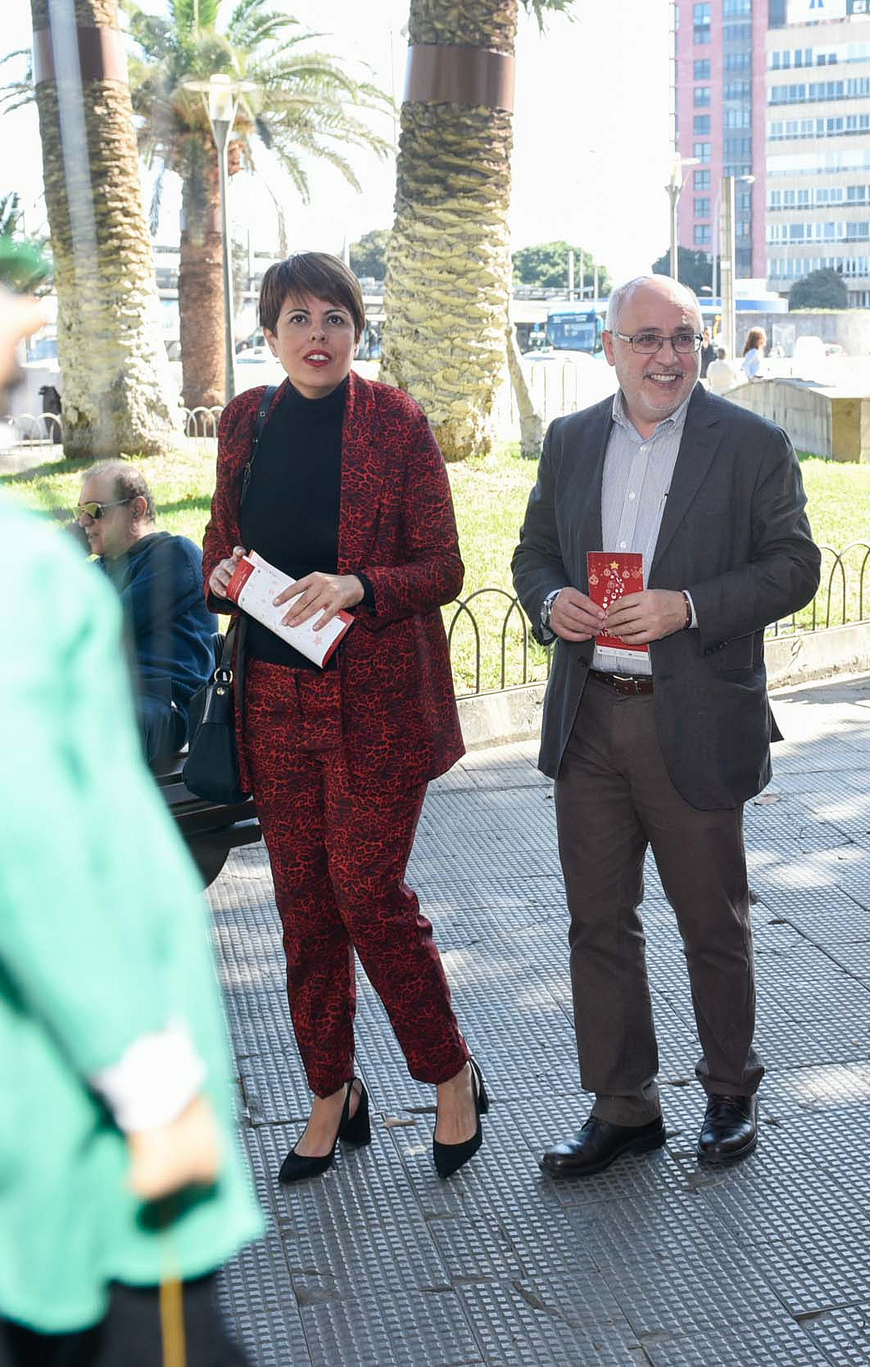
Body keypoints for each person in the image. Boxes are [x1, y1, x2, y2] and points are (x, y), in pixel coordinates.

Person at [0, 273, 261, 1367]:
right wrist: (149, 1077)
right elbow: (37, 854)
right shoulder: (24, 577)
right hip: (81, 1127)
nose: (24, 352)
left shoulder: (122, 563)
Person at [513, 275, 820, 1176]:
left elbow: (795, 565)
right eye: (645, 338)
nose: (666, 355)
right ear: (609, 347)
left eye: (683, 337)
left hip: (693, 718)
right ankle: (624, 1103)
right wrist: (549, 599)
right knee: (597, 922)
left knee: (711, 922)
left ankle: (729, 1090)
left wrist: (687, 605)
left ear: (703, 346)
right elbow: (533, 551)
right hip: (590, 719)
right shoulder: (570, 441)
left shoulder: (751, 443)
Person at [201, 252, 486, 1185]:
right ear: (270, 331)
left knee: (369, 895)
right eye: (297, 318)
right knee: (303, 907)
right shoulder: (247, 420)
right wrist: (220, 572)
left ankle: (447, 1071)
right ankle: (332, 1090)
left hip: (373, 703)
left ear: (356, 329)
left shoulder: (395, 422)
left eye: (334, 317)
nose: (316, 335)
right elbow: (221, 537)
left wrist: (360, 585)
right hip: (274, 700)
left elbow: (442, 567)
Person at [74, 461, 214, 770]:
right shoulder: (97, 571)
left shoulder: (175, 555)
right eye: (79, 511)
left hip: (162, 702)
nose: (83, 521)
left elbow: (106, 625)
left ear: (136, 509)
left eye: (96, 510)